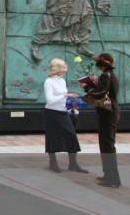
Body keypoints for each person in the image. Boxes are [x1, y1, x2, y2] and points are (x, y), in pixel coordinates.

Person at [43, 58, 88, 174]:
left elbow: (63, 98)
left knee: (71, 136)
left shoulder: (62, 81)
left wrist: (71, 104)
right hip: (51, 113)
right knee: (52, 137)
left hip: (63, 112)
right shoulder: (48, 81)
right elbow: (50, 100)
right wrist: (65, 95)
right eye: (62, 68)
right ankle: (53, 163)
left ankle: (73, 164)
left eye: (65, 68)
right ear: (56, 68)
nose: (65, 70)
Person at [86, 53, 121, 188]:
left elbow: (101, 93)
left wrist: (88, 87)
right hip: (109, 112)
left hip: (108, 113)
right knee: (106, 144)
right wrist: (95, 83)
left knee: (107, 145)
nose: (97, 64)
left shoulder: (106, 75)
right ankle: (108, 174)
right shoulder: (109, 75)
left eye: (99, 62)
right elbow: (104, 90)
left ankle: (113, 179)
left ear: (103, 64)